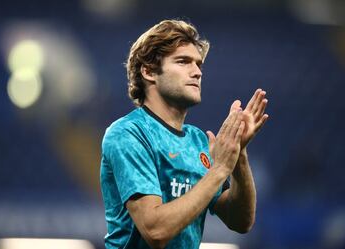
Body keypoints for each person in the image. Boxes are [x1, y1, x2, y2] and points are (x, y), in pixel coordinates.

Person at [100, 19, 269, 249]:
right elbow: (155, 230)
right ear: (149, 71)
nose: (197, 72)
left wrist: (238, 154)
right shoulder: (128, 133)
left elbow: (240, 221)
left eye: (199, 65)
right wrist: (219, 170)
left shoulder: (197, 140)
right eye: (183, 62)